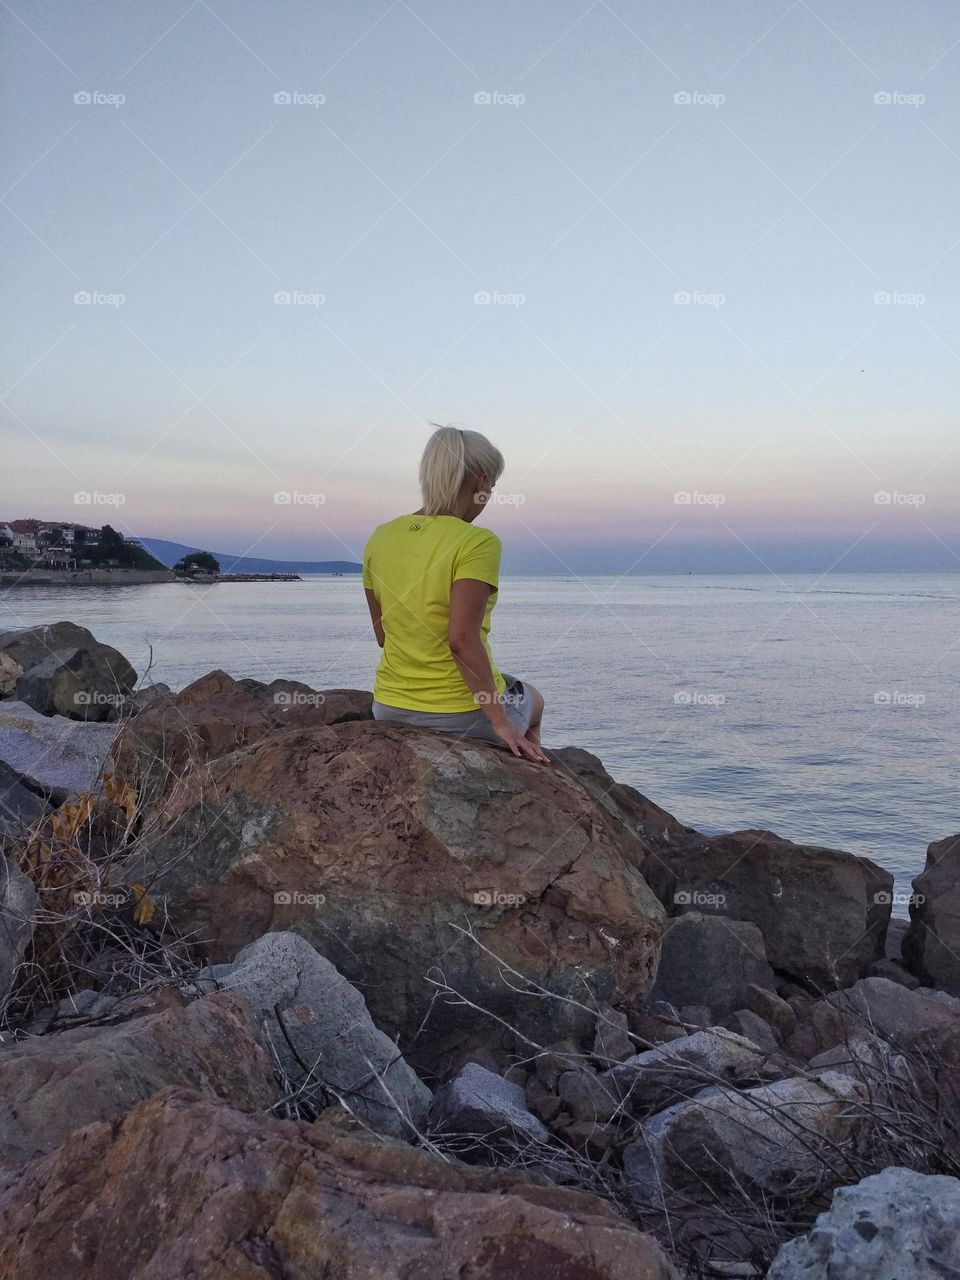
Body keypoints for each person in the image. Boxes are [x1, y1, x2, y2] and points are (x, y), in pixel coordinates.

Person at [362, 425, 547, 762]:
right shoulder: (477, 542)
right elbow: (461, 640)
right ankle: (535, 772)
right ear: (481, 482)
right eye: (492, 486)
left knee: (505, 681)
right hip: (459, 714)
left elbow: (383, 635)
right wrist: (501, 724)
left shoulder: (380, 537)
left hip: (388, 706)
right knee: (534, 699)